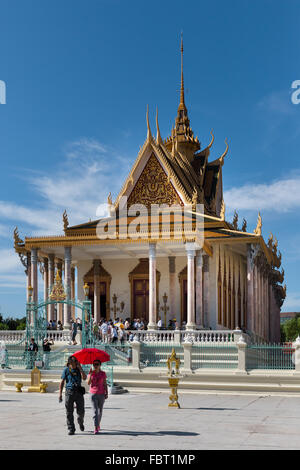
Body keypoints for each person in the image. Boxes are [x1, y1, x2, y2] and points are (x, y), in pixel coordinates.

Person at [59, 355, 87, 435]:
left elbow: (84, 378)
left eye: (76, 361)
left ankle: (80, 422)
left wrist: (80, 368)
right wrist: (60, 394)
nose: (74, 363)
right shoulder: (66, 370)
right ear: (70, 362)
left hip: (78, 392)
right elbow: (62, 382)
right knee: (69, 412)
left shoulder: (79, 370)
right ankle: (71, 428)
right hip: (69, 392)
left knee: (81, 411)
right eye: (73, 361)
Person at [87, 360, 108, 434]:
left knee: (100, 411)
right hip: (93, 394)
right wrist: (90, 374)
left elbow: (105, 383)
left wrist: (106, 393)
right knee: (95, 411)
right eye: (94, 364)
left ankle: (98, 424)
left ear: (100, 365)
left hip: (101, 393)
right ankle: (95, 427)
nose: (95, 366)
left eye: (97, 364)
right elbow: (88, 383)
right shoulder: (91, 373)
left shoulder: (103, 373)